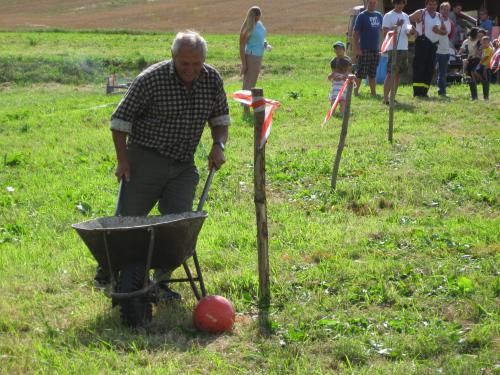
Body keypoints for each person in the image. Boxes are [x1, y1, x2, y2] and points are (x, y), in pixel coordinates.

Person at [97, 30, 230, 300]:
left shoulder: (212, 79)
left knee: (176, 227)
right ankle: (111, 271)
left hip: (183, 164)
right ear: (173, 57)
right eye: (184, 64)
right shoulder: (150, 79)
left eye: (196, 63)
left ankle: (161, 283)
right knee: (128, 221)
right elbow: (119, 122)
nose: (191, 69)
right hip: (145, 158)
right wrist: (123, 160)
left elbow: (220, 120)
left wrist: (219, 145)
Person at [409, 0, 448, 97]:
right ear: (426, 4)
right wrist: (414, 30)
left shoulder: (439, 16)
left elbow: (445, 31)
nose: (432, 6)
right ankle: (417, 92)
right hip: (422, 42)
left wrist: (438, 31)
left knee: (430, 68)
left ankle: (424, 91)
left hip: (433, 45)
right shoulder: (421, 13)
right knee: (419, 67)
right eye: (430, 4)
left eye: (434, 4)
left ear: (437, 5)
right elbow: (407, 19)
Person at [382, 0, 415, 104]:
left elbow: (408, 33)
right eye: (398, 3)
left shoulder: (406, 16)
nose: (400, 5)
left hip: (404, 48)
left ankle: (392, 97)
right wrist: (396, 25)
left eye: (402, 3)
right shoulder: (388, 15)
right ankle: (385, 98)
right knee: (390, 73)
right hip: (393, 48)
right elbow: (385, 32)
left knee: (398, 74)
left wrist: (411, 32)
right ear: (394, 4)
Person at [239, 6, 269, 114]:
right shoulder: (248, 27)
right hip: (251, 57)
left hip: (258, 56)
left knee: (253, 82)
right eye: (259, 15)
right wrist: (244, 64)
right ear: (256, 16)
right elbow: (242, 46)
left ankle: (248, 105)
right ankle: (245, 108)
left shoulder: (259, 24)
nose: (260, 16)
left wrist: (266, 44)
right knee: (249, 83)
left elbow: (261, 37)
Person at [352, 0, 383, 96]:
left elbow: (382, 31)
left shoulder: (379, 15)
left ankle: (373, 93)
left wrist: (382, 47)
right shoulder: (362, 16)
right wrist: (357, 48)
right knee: (361, 72)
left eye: (374, 3)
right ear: (366, 4)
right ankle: (355, 92)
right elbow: (355, 33)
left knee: (373, 72)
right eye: (370, 3)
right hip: (364, 49)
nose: (372, 4)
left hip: (375, 49)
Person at [436, 2, 453, 97]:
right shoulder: (436, 19)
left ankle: (442, 91)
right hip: (435, 49)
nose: (446, 11)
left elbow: (449, 36)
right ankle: (423, 91)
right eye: (444, 9)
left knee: (442, 73)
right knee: (429, 70)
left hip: (445, 50)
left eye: (447, 9)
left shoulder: (450, 22)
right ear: (440, 10)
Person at [459, 27, 481, 99]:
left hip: (478, 58)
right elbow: (461, 51)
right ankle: (465, 77)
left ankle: (479, 81)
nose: (479, 34)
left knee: (472, 70)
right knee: (466, 63)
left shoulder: (479, 41)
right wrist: (461, 54)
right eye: (478, 33)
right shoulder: (466, 41)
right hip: (470, 58)